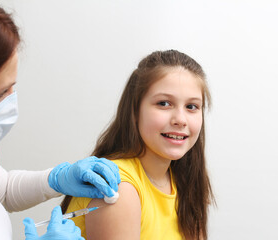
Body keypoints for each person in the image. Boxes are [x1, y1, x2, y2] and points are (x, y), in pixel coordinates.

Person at [0, 0, 120, 239]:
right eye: (0, 93)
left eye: (12, 88)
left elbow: (3, 190)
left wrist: (58, 179)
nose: (12, 101)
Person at [61, 50, 216, 239]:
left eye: (192, 106)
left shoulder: (185, 182)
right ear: (134, 110)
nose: (180, 119)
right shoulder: (118, 187)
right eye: (164, 103)